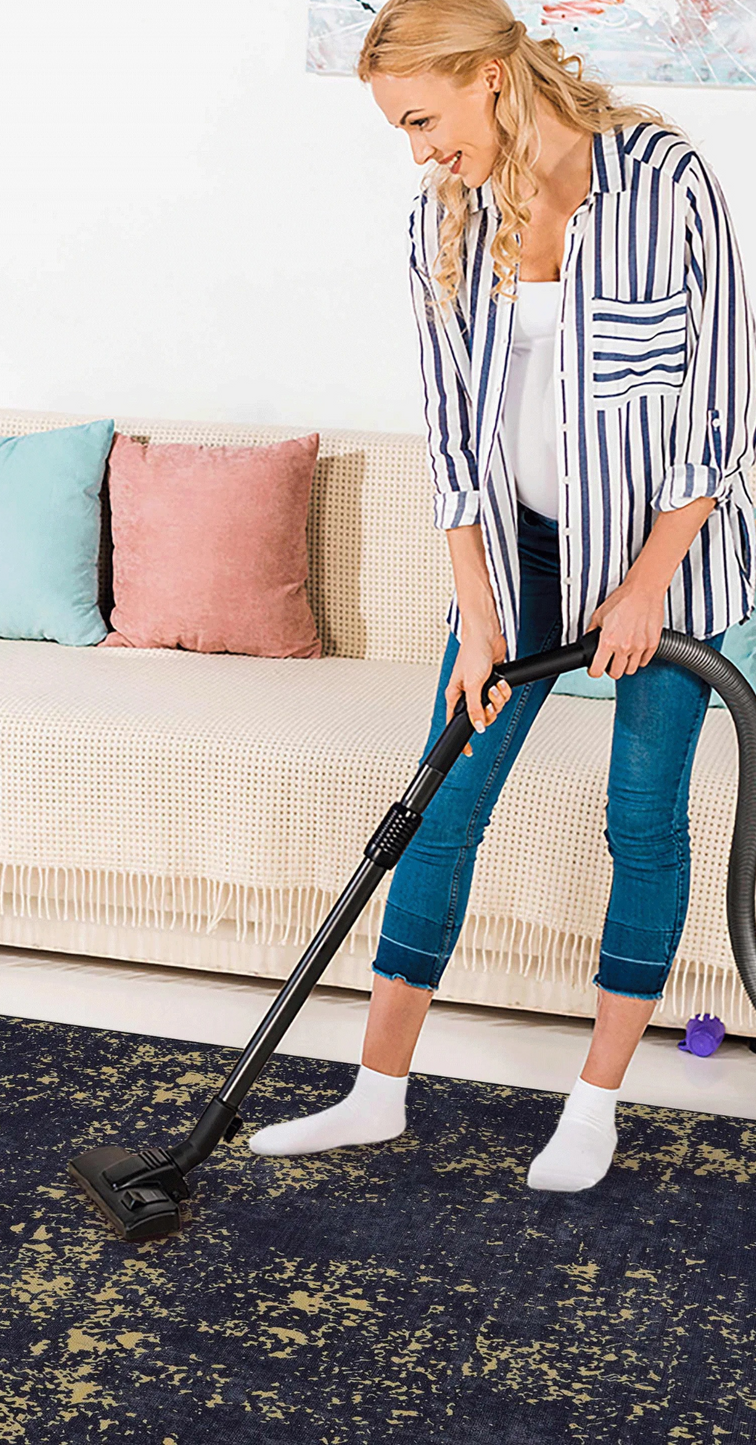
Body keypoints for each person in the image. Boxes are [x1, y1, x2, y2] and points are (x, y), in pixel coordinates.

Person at [248, 0, 755, 1190]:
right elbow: (452, 439)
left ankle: (593, 1104)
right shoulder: (445, 219)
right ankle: (373, 1092)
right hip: (518, 556)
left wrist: (642, 585)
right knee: (443, 796)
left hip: (666, 560)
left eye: (423, 119)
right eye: (401, 130)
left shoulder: (660, 183)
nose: (417, 148)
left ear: (488, 77)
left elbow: (721, 411)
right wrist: (476, 611)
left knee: (640, 816)